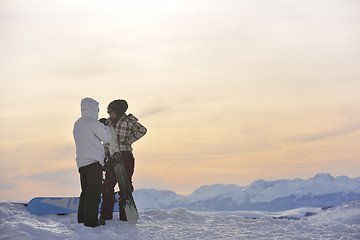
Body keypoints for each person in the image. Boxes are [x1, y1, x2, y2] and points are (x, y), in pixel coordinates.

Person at [100, 99, 147, 221]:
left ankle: (125, 213)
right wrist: (104, 158)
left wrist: (129, 140)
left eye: (111, 110)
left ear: (118, 111)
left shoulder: (128, 120)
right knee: (107, 185)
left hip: (125, 156)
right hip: (112, 157)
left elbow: (142, 130)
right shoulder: (108, 123)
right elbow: (106, 142)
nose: (109, 113)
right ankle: (106, 214)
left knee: (125, 185)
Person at [73, 97, 112, 227]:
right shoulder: (93, 123)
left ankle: (82, 219)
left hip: (81, 163)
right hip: (93, 163)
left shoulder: (78, 123)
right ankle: (91, 222)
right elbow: (107, 138)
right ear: (94, 109)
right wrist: (105, 126)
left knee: (85, 192)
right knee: (94, 193)